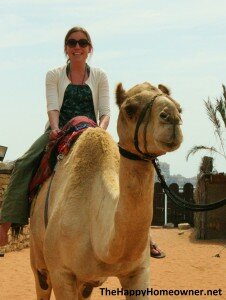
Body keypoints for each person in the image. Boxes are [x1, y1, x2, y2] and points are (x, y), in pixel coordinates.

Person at [0, 26, 110, 246]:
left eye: (82, 43)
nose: (77, 47)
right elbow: (52, 107)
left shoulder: (100, 76)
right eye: (72, 43)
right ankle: (5, 226)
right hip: (60, 130)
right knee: (24, 164)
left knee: (123, 166)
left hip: (91, 132)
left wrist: (100, 131)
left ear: (90, 48)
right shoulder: (54, 75)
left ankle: (145, 236)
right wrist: (54, 129)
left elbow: (105, 112)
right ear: (65, 48)